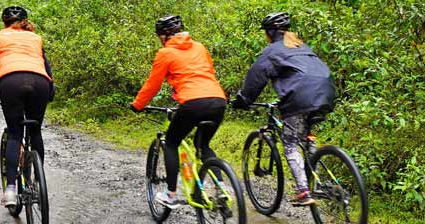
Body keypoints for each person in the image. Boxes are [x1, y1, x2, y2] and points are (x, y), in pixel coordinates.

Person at [231, 11, 337, 207]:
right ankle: (316, 181)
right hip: (327, 93)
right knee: (305, 137)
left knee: (290, 142)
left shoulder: (271, 51)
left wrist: (243, 100)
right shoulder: (302, 46)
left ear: (270, 33)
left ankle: (304, 191)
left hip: (301, 97)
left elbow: (256, 79)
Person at [129, 15, 227, 208]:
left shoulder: (165, 53)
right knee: (204, 145)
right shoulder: (199, 47)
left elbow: (153, 84)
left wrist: (137, 104)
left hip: (192, 102)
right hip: (218, 100)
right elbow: (206, 73)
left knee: (172, 142)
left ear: (165, 36)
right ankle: (221, 188)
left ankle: (170, 194)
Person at [0, 5, 54, 207]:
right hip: (40, 82)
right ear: (25, 22)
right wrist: (50, 92)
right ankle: (36, 181)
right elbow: (46, 68)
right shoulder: (35, 38)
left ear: (4, 23)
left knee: (15, 134)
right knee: (35, 132)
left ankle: (11, 190)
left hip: (11, 82)